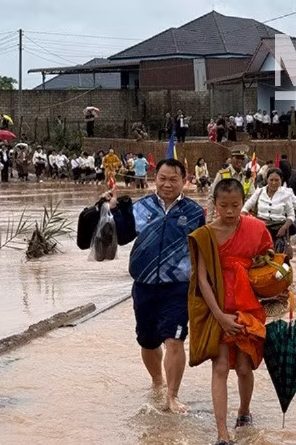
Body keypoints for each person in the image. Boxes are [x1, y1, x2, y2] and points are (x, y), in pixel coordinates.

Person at [104, 158, 205, 414]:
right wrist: (113, 209)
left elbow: (206, 252)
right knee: (148, 342)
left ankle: (172, 396)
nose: (167, 184)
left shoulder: (194, 213)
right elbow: (124, 236)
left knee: (175, 339)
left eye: (173, 179)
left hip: (178, 287)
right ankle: (157, 381)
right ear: (154, 179)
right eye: (162, 178)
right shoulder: (143, 207)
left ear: (185, 180)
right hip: (144, 285)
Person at [188, 178, 272, 445]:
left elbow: (269, 264)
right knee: (221, 366)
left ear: (242, 202)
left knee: (245, 367)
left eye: (235, 205)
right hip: (219, 309)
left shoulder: (256, 229)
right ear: (215, 204)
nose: (229, 211)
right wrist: (220, 317)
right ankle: (222, 433)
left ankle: (244, 411)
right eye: (223, 205)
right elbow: (201, 279)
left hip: (248, 309)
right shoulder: (206, 235)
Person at [242, 168, 296, 263]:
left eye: (277, 180)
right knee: (259, 258)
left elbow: (294, 212)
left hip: (279, 231)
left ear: (281, 180)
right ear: (267, 179)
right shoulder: (259, 191)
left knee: (277, 260)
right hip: (261, 230)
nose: (274, 183)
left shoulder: (287, 193)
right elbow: (247, 206)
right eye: (271, 180)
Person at [207, 148, 255, 220]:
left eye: (242, 159)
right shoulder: (222, 174)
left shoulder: (247, 176)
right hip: (225, 215)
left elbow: (252, 198)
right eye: (237, 158)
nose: (240, 161)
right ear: (231, 158)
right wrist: (209, 220)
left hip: (242, 216)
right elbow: (212, 197)